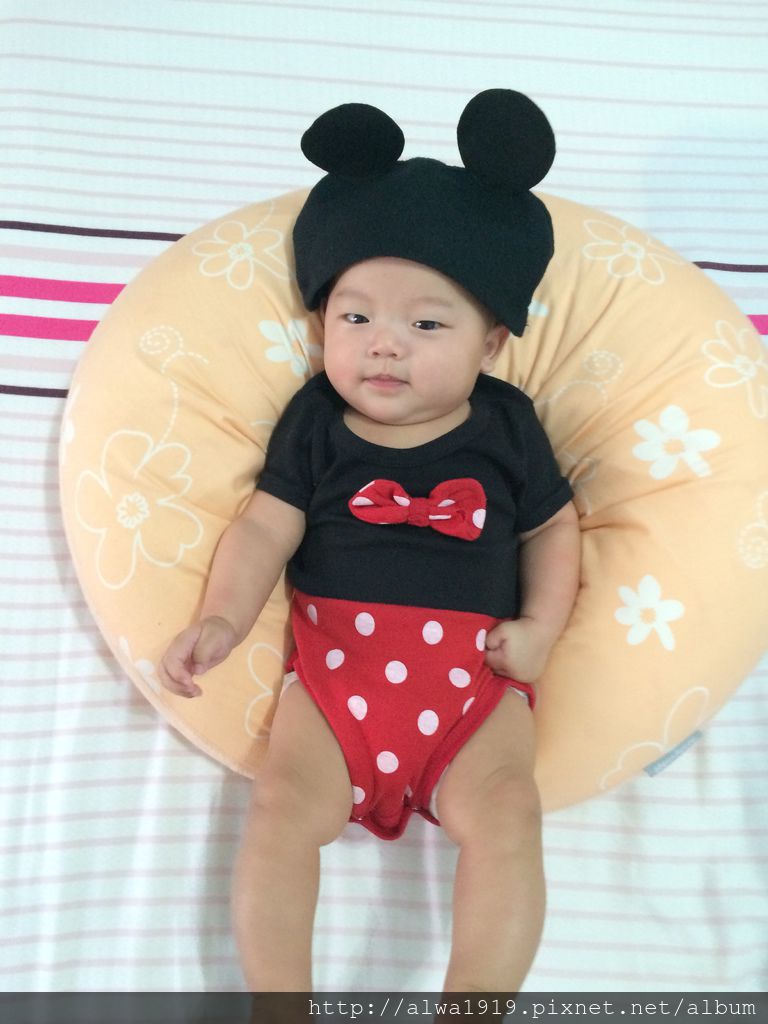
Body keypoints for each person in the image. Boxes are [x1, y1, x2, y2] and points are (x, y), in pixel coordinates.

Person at [160, 89, 581, 996]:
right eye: (355, 319)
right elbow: (265, 523)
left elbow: (552, 528)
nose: (384, 347)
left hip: (473, 680)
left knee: (509, 818)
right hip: (335, 674)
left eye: (426, 325)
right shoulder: (315, 419)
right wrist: (222, 617)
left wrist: (542, 629)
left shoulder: (508, 427)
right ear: (323, 323)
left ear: (491, 342)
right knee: (279, 813)